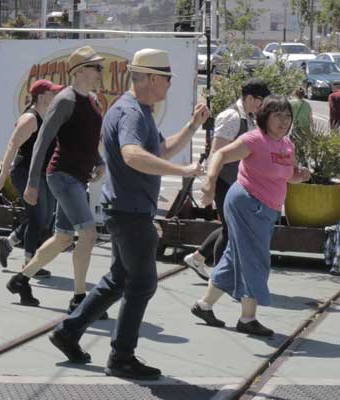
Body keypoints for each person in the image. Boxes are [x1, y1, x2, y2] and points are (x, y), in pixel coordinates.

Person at [47, 48, 209, 380]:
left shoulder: (135, 110)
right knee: (143, 283)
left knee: (118, 279)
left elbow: (158, 151)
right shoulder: (133, 113)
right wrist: (183, 171)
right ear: (151, 78)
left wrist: (193, 126)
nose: (168, 85)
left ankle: (69, 331)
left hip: (126, 210)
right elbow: (134, 155)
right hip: (131, 212)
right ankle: (121, 356)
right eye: (166, 79)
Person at [193, 96, 310, 337]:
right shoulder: (254, 140)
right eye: (277, 115)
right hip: (247, 203)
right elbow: (220, 155)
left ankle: (204, 305)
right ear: (265, 118)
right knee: (255, 258)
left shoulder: (287, 144)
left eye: (287, 116)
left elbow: (288, 175)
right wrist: (210, 182)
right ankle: (248, 318)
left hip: (267, 209)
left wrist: (302, 175)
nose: (283, 121)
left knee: (235, 257)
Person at [4, 47, 109, 314]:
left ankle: (21, 279)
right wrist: (31, 183)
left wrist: (99, 161)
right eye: (96, 67)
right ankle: (80, 298)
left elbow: (84, 139)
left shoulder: (92, 101)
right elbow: (42, 141)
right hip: (62, 176)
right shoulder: (65, 100)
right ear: (80, 70)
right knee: (88, 233)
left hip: (77, 177)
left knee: (63, 237)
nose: (100, 72)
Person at [182, 80, 269, 280]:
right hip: (224, 180)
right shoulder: (232, 116)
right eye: (259, 100)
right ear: (248, 97)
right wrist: (210, 184)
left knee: (230, 227)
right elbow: (217, 151)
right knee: (231, 230)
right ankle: (220, 278)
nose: (261, 104)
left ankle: (198, 257)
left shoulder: (248, 116)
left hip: (237, 181)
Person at [0, 80, 63, 278]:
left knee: (46, 218)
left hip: (42, 173)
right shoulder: (30, 119)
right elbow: (12, 146)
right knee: (38, 217)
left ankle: (8, 243)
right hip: (25, 174)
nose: (56, 95)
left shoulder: (48, 115)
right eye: (52, 92)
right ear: (41, 96)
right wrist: (3, 175)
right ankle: (29, 263)